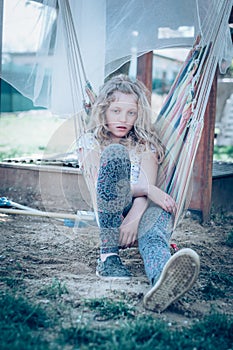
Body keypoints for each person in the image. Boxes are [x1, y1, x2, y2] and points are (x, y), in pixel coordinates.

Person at [78, 74, 200, 312]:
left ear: (138, 115)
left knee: (155, 233)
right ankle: (108, 258)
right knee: (115, 155)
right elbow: (100, 187)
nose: (123, 119)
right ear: (103, 111)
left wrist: (136, 218)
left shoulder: (146, 144)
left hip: (145, 209)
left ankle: (163, 280)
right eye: (116, 111)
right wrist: (147, 189)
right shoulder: (90, 143)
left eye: (131, 113)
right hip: (111, 209)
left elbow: (148, 184)